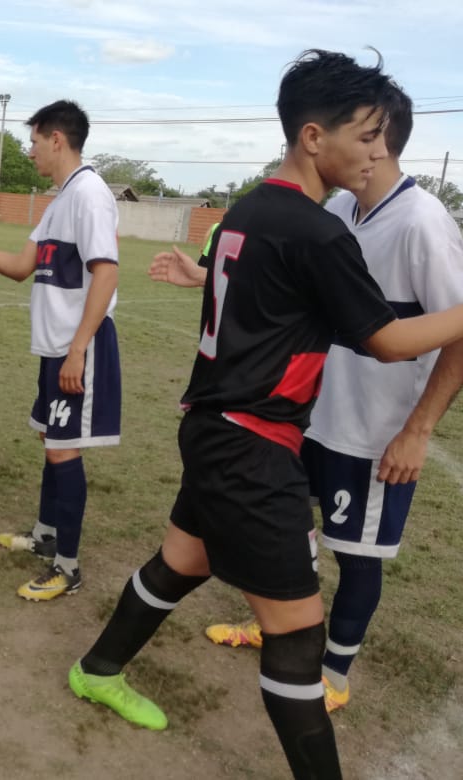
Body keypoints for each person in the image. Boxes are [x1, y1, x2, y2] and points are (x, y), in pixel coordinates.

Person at [68, 50, 463, 779]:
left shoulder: (252, 206)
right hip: (251, 446)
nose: (376, 153)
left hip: (216, 428)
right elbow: (385, 341)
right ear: (314, 137)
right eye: (366, 136)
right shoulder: (317, 230)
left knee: (183, 561)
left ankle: (96, 669)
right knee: (297, 634)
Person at [203, 85, 463, 712]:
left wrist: (417, 430)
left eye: (366, 132)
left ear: (379, 138)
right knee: (291, 531)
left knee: (357, 554)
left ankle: (335, 673)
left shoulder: (423, 221)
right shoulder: (339, 210)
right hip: (311, 417)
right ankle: (273, 625)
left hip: (373, 431)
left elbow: (457, 331)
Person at [0, 100, 121, 601]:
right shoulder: (60, 200)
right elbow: (21, 267)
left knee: (63, 448)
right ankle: (46, 536)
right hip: (54, 346)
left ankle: (68, 568)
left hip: (78, 346)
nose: (30, 150)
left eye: (34, 141)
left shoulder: (91, 195)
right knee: (51, 441)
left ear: (57, 139)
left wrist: (79, 349)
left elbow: (106, 272)